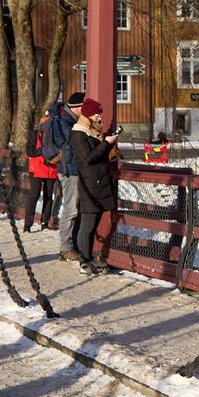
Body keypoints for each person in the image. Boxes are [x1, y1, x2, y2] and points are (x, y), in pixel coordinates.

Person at [67, 98, 119, 275]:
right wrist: (105, 143)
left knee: (92, 223)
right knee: (88, 224)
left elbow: (97, 155)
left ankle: (88, 259)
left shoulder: (92, 132)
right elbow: (87, 158)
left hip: (98, 181)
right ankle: (85, 261)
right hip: (90, 183)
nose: (99, 117)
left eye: (100, 114)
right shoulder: (79, 133)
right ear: (88, 115)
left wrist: (108, 145)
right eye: (96, 114)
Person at [41, 91, 85, 262]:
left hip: (71, 168)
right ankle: (66, 247)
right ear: (77, 107)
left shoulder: (67, 120)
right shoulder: (65, 122)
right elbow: (71, 144)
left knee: (74, 207)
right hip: (69, 169)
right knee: (71, 208)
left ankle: (72, 245)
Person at [25, 127, 60, 232]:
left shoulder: (57, 135)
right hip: (37, 168)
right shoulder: (35, 134)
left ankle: (45, 222)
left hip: (51, 168)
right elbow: (30, 151)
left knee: (48, 196)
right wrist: (43, 150)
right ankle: (27, 224)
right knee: (34, 195)